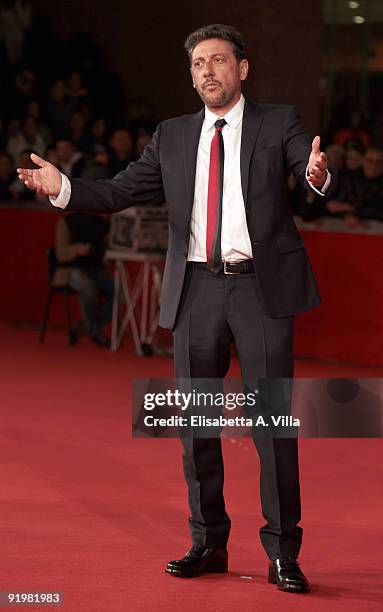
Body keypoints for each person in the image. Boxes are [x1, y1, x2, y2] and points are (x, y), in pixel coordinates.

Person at [17, 24, 331, 594]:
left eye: (217, 60)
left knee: (272, 427)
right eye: (197, 64)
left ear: (242, 68)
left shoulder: (278, 121)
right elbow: (119, 191)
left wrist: (317, 174)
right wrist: (64, 188)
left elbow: (304, 166)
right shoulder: (173, 135)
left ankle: (284, 552)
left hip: (262, 290)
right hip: (197, 292)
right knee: (196, 426)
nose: (206, 71)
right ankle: (208, 541)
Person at [54, 212, 113, 347]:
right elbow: (60, 254)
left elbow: (107, 251)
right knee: (88, 287)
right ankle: (93, 331)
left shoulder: (102, 224)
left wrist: (107, 257)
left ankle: (85, 326)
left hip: (96, 269)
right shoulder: (66, 223)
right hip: (70, 269)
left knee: (122, 292)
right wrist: (77, 250)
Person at [326, 147, 383, 226]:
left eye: (379, 162)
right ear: (363, 161)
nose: (374, 165)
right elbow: (336, 204)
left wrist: (353, 209)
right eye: (370, 161)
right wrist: (346, 215)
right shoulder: (349, 178)